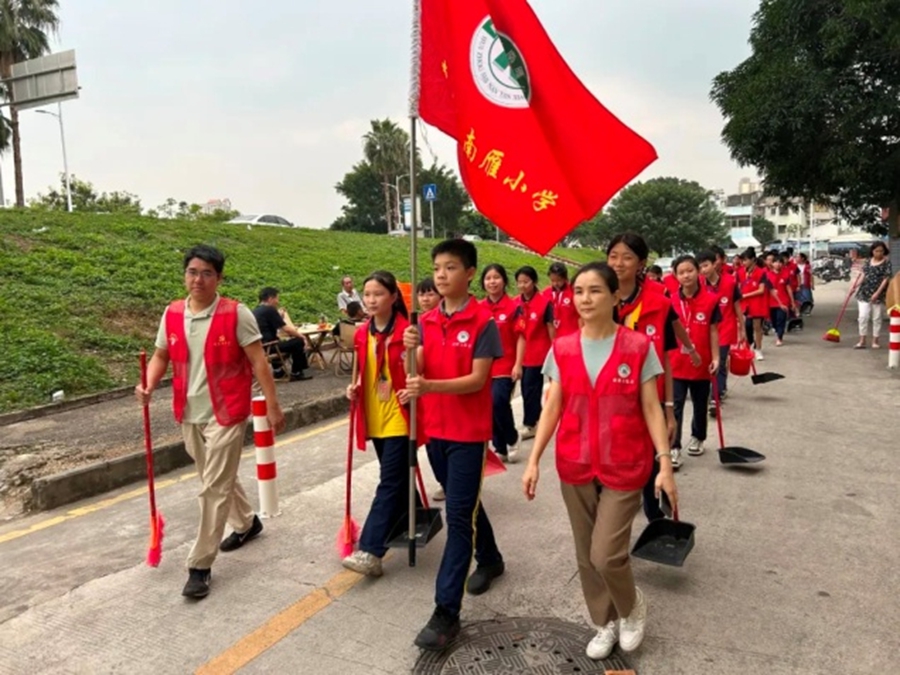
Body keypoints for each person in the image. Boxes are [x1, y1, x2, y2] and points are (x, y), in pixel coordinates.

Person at [522, 261, 677, 661]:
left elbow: (651, 407)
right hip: (574, 462)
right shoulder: (563, 348)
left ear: (614, 296)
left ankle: (631, 606)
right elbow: (552, 407)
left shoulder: (637, 347)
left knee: (605, 554)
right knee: (584, 553)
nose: (585, 299)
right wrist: (534, 459)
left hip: (625, 462)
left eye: (594, 290)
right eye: (578, 291)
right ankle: (604, 621)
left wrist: (664, 463)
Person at [135, 245, 286, 600]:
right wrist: (148, 384)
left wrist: (273, 406)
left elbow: (259, 362)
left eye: (206, 273)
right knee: (213, 478)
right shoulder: (172, 313)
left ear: (219, 278)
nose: (198, 279)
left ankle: (200, 564)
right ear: (184, 275)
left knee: (212, 488)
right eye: (192, 272)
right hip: (189, 411)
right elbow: (160, 355)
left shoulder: (236, 313)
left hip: (227, 411)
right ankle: (247, 522)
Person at [403, 239, 505, 651]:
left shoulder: (483, 322)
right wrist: (410, 350)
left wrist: (428, 385)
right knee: (467, 504)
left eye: (450, 267)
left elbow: (478, 380)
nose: (441, 275)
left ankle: (446, 612)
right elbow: (417, 369)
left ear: (469, 273)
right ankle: (491, 559)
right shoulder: (426, 321)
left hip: (469, 435)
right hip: (435, 431)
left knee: (459, 516)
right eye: (437, 268)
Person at [342, 271, 424, 578]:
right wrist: (354, 388)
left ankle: (371, 550)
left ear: (393, 297)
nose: (371, 300)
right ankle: (413, 515)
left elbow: (423, 368)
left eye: (378, 294)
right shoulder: (362, 333)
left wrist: (414, 385)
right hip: (374, 415)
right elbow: (363, 372)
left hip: (400, 417)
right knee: (397, 477)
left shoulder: (408, 332)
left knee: (389, 481)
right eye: (367, 294)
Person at [606, 232, 699, 481]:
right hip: (607, 400)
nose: (618, 263)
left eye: (627, 257)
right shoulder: (596, 303)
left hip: (649, 400)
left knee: (651, 470)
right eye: (613, 256)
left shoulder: (659, 303)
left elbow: (664, 359)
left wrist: (668, 411)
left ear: (641, 263)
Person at [669, 255, 721, 459]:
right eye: (681, 272)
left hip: (701, 362)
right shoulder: (670, 300)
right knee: (675, 405)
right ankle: (674, 446)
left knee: (700, 404)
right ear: (675, 276)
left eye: (690, 270)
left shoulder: (711, 300)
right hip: (675, 362)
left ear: (698, 272)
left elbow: (713, 331)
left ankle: (698, 437)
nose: (686, 275)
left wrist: (716, 358)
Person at [481, 263, 525, 463]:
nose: (492, 282)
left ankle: (512, 437)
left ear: (504, 281)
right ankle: (500, 447)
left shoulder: (514, 307)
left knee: (499, 401)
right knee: (488, 406)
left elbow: (521, 337)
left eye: (496, 277)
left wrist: (518, 364)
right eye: (488, 278)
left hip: (506, 364)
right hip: (483, 366)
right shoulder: (479, 308)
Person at [697, 250, 744, 413]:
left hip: (725, 328)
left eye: (706, 265)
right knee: (707, 362)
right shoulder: (698, 284)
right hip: (705, 329)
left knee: (720, 361)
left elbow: (737, 307)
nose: (703, 270)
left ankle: (714, 398)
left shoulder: (730, 282)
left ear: (715, 264)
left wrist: (742, 328)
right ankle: (717, 389)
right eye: (700, 267)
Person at [514, 266, 555, 440]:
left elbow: (550, 327)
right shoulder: (516, 303)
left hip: (538, 353)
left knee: (531, 389)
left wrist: (555, 350)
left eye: (526, 282)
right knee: (526, 389)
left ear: (534, 282)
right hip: (520, 353)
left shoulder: (545, 303)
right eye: (519, 282)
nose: (522, 285)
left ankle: (531, 424)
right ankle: (537, 418)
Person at [252, 287, 313, 381]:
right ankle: (296, 372)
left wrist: (279, 317)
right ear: (270, 299)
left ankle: (278, 371)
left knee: (280, 341)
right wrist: (302, 336)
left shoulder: (255, 311)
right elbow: (286, 329)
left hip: (260, 346)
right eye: (277, 299)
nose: (277, 302)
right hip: (270, 346)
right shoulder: (270, 309)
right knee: (298, 342)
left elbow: (269, 326)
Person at [855, 242, 893, 349]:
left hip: (879, 294)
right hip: (864, 292)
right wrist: (855, 285)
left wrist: (877, 293)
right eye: (876, 251)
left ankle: (875, 341)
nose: (879, 253)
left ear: (884, 251)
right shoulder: (868, 261)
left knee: (877, 318)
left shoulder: (887, 263)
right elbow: (863, 275)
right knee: (863, 317)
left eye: (881, 251)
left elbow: (886, 279)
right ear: (872, 251)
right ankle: (862, 340)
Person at [736, 248, 771, 361]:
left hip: (757, 303)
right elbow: (737, 286)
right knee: (744, 326)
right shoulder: (740, 272)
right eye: (742, 260)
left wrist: (745, 295)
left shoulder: (761, 272)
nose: (743, 263)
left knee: (757, 327)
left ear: (753, 260)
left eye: (745, 260)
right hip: (744, 304)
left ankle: (758, 349)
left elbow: (761, 290)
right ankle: (747, 346)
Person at [544, 261, 580, 337]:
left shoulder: (573, 293)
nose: (555, 284)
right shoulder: (546, 294)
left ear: (565, 278)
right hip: (552, 337)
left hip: (570, 336)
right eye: (553, 280)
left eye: (559, 280)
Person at [765, 255, 795, 347]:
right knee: (773, 320)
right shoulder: (768, 275)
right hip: (771, 302)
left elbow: (788, 289)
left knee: (781, 320)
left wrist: (792, 302)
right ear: (772, 264)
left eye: (780, 262)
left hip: (783, 301)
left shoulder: (785, 275)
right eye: (776, 262)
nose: (778, 264)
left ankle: (779, 337)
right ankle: (776, 330)